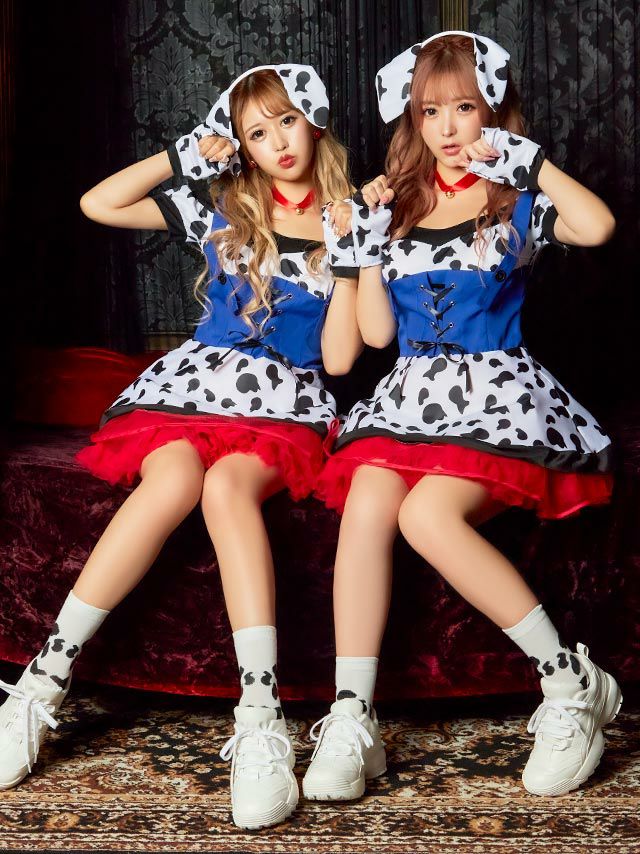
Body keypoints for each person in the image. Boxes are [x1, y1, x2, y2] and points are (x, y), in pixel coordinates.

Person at [0, 64, 362, 830]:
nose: (277, 142)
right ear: (242, 147)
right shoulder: (227, 207)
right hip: (195, 385)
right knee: (168, 484)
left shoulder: (350, 219)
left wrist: (351, 254)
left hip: (286, 399)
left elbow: (339, 361)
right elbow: (99, 203)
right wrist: (183, 156)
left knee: (226, 488)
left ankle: (260, 720)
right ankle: (40, 685)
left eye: (287, 120)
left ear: (315, 121)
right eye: (256, 132)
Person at [305, 31, 621, 802]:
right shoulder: (399, 206)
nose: (447, 128)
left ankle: (570, 685)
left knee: (426, 516)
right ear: (412, 119)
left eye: (465, 108)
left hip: (498, 396)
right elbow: (375, 336)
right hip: (411, 396)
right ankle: (352, 718)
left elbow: (598, 227)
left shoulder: (515, 201)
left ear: (493, 112)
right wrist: (361, 248)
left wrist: (533, 163)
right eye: (430, 111)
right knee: (370, 497)